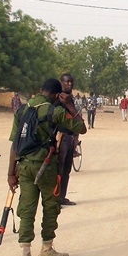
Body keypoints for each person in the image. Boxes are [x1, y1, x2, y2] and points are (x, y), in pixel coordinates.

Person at [7, 78, 86, 256]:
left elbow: (14, 144)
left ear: (40, 90)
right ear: (56, 94)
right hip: (46, 166)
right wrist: (68, 103)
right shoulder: (55, 111)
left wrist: (11, 173)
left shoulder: (22, 110)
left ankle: (25, 254)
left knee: (27, 208)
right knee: (50, 205)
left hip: (24, 166)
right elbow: (81, 128)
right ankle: (47, 249)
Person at [56, 73, 79, 206]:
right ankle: (56, 198)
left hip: (70, 137)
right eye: (66, 82)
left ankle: (62, 197)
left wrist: (75, 139)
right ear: (61, 83)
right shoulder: (59, 99)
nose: (69, 84)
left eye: (71, 82)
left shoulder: (70, 99)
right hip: (61, 137)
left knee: (66, 170)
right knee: (58, 170)